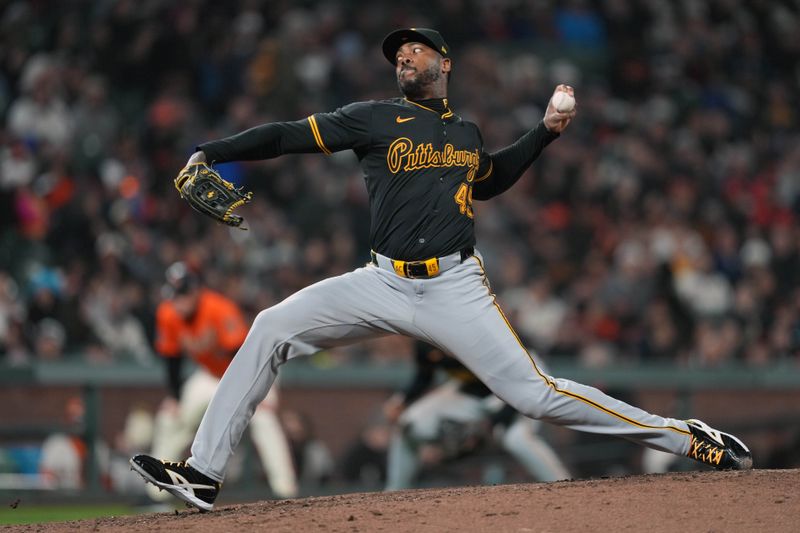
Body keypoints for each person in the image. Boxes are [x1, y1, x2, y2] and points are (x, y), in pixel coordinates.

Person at [130, 28, 752, 511]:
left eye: (415, 48)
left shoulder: (466, 132)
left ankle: (683, 436)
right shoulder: (372, 117)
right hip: (380, 280)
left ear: (444, 63)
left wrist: (544, 132)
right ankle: (204, 474)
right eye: (397, 51)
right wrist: (215, 150)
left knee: (535, 396)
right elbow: (287, 135)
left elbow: (492, 179)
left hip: (455, 285)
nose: (403, 56)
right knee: (269, 326)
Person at [144, 261, 298, 502]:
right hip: (211, 375)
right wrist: (174, 397)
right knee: (171, 417)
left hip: (253, 371)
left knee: (264, 420)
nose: (179, 300)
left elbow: (244, 355)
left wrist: (261, 393)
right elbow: (171, 359)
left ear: (196, 290)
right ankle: (155, 495)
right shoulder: (168, 314)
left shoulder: (218, 308)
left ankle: (285, 491)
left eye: (184, 293)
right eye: (175, 295)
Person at [384, 341, 570, 490]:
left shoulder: (483, 334)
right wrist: (399, 400)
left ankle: (565, 488)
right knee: (409, 423)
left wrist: (492, 424)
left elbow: (522, 385)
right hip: (473, 390)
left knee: (516, 439)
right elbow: (424, 376)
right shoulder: (426, 338)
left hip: (526, 382)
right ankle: (394, 493)